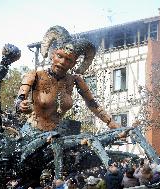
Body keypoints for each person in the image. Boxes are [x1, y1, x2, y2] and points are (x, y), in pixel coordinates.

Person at [15, 25, 123, 179]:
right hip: (32, 135)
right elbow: (19, 100)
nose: (63, 62)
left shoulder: (75, 81)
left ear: (73, 63)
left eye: (68, 59)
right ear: (52, 54)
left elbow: (93, 104)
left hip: (56, 138)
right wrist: (21, 105)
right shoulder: (35, 76)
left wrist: (111, 122)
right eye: (60, 56)